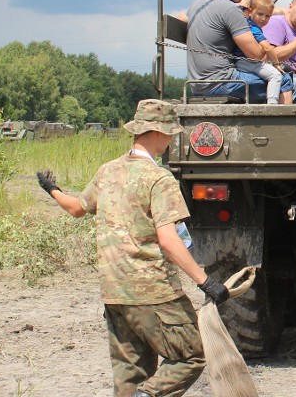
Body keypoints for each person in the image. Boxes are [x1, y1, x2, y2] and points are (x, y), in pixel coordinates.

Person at [35, 99, 230, 397]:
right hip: (153, 291)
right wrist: (205, 282)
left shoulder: (107, 171)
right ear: (158, 132)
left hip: (114, 291)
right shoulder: (159, 178)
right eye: (169, 134)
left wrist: (52, 189)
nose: (170, 140)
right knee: (192, 355)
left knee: (130, 373)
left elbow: (76, 208)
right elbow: (169, 239)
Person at [185, 0, 293, 103]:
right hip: (221, 82)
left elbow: (183, 18)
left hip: (196, 83)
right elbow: (255, 55)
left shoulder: (199, 2)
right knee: (284, 79)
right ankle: (279, 124)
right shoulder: (230, 9)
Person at [231, 0, 291, 105]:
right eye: (260, 14)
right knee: (276, 75)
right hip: (245, 62)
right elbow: (267, 48)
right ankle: (272, 104)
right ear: (250, 11)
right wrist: (276, 63)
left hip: (242, 61)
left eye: (267, 16)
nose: (263, 19)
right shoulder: (254, 28)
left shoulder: (247, 23)